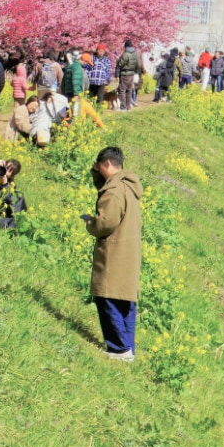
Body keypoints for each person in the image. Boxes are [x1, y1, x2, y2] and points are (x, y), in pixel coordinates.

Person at [83, 146, 143, 361]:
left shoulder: (114, 191)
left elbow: (105, 223)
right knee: (125, 301)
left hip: (114, 251)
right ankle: (128, 349)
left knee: (106, 295)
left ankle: (119, 348)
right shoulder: (128, 186)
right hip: (129, 252)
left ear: (106, 164)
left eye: (99, 167)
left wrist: (91, 223)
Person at [116, 40, 143, 111]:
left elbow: (120, 64)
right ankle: (128, 107)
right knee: (129, 90)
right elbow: (139, 65)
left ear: (125, 46)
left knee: (122, 91)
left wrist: (118, 60)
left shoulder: (125, 54)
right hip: (132, 75)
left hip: (125, 74)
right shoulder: (136, 54)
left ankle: (123, 107)